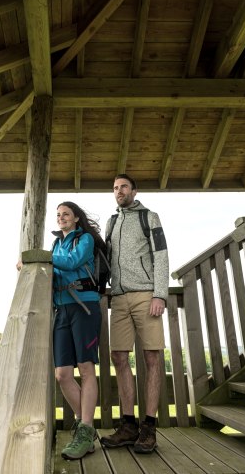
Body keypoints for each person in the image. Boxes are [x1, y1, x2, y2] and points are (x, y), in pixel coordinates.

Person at [28, 201, 104, 460]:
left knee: (85, 368)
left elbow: (72, 263)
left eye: (66, 214)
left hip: (85, 307)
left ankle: (84, 430)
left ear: (75, 218)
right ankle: (86, 427)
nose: (61, 218)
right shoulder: (56, 245)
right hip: (61, 310)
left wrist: (42, 256)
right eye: (58, 215)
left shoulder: (84, 239)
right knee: (62, 374)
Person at [100, 174, 169, 454]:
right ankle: (128, 426)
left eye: (123, 187)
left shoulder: (149, 217)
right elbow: (104, 258)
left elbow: (161, 254)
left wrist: (159, 294)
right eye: (115, 188)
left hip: (145, 295)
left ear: (134, 190)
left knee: (152, 356)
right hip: (118, 297)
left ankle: (149, 429)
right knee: (118, 356)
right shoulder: (111, 222)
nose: (119, 191)